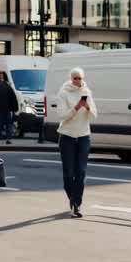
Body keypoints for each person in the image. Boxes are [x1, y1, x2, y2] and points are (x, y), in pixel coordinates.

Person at [54, 67, 96, 218]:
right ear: (71, 78)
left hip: (84, 135)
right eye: (75, 78)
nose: (78, 81)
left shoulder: (87, 91)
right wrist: (76, 108)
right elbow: (61, 115)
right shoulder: (64, 92)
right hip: (67, 136)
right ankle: (72, 198)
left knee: (81, 172)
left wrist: (88, 107)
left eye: (80, 78)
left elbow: (94, 115)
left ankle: (76, 204)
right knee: (68, 173)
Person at [0, 72, 19, 145]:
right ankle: (9, 139)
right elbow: (13, 98)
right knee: (9, 125)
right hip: (8, 109)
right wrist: (15, 108)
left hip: (0, 109)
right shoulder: (8, 87)